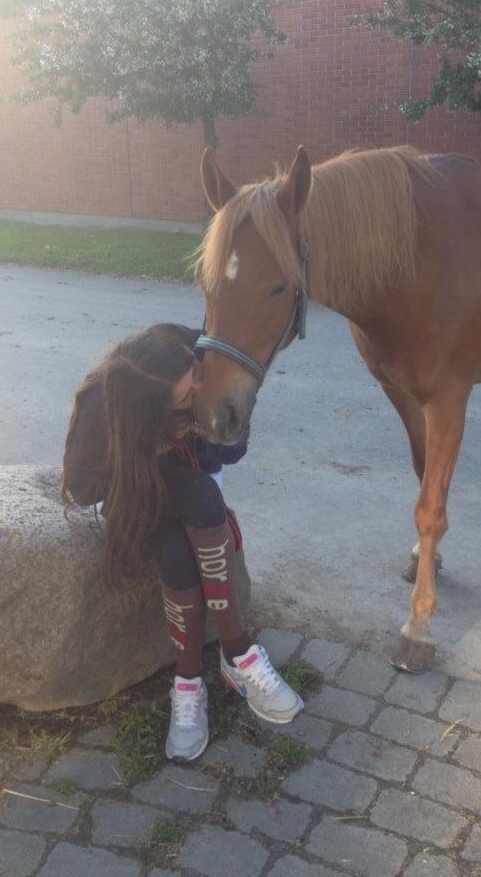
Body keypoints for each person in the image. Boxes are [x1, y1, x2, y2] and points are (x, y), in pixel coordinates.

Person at [61, 323, 303, 762]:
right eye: (185, 403)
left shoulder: (199, 355)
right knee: (186, 520)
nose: (197, 398)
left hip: (197, 499)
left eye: (196, 385)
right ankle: (217, 664)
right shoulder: (104, 398)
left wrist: (210, 416)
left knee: (193, 513)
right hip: (140, 499)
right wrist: (144, 456)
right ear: (148, 410)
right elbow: (81, 488)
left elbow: (231, 452)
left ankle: (217, 667)